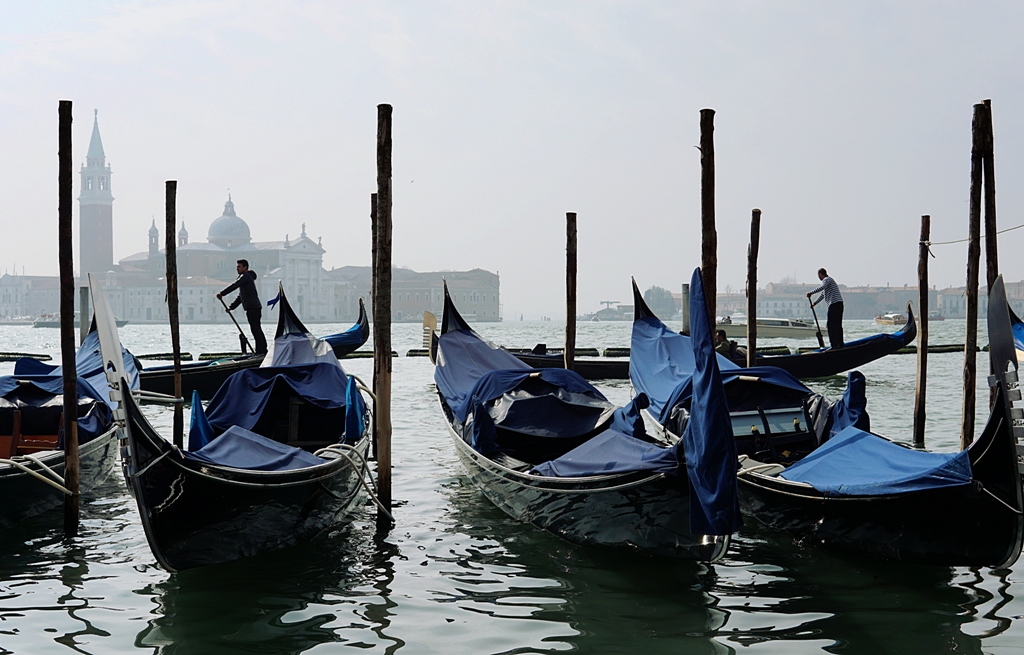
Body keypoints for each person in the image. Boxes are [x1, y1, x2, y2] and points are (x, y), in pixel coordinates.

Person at [217, 259, 267, 355]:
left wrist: (222, 293)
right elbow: (241, 296)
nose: (237, 269)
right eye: (237, 267)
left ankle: (261, 351)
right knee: (256, 328)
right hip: (252, 307)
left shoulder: (245, 276)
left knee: (256, 329)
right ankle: (261, 350)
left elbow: (234, 285)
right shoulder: (246, 278)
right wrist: (231, 307)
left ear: (245, 267)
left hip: (253, 307)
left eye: (239, 267)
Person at [807, 267, 844, 349]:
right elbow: (822, 295)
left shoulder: (827, 280)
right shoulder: (829, 282)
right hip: (839, 304)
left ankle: (834, 345)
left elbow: (822, 287)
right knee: (837, 325)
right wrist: (814, 303)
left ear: (820, 274)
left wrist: (811, 293)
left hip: (834, 304)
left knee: (831, 325)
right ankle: (840, 344)